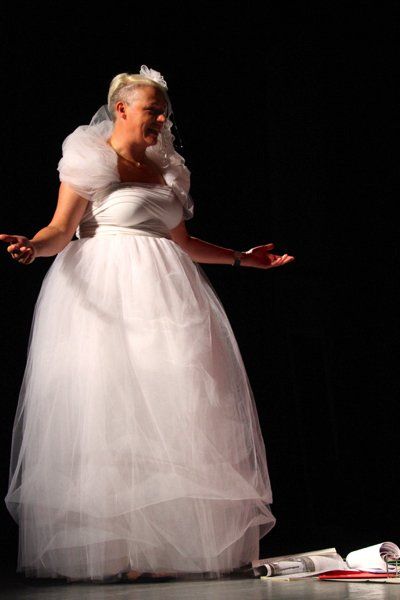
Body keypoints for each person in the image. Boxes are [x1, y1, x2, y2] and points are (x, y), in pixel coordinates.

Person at [1, 66, 294, 584]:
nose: (161, 120)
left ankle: (161, 549)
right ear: (122, 109)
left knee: (176, 407)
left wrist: (244, 259)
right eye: (152, 110)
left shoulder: (167, 170)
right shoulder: (91, 160)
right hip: (105, 295)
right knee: (111, 413)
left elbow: (183, 242)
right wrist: (32, 247)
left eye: (164, 112)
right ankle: (115, 551)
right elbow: (59, 230)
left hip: (168, 299)